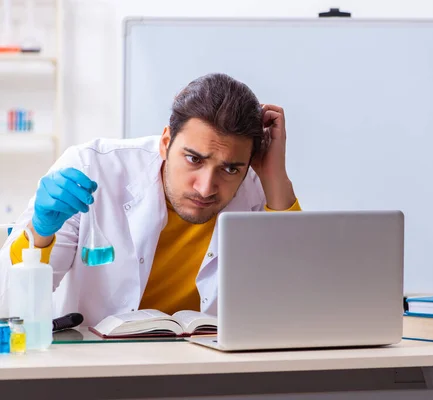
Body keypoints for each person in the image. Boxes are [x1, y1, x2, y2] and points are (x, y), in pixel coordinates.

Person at [0, 73, 301, 326]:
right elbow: (12, 306)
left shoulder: (255, 189)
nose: (207, 187)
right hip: (97, 369)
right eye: (194, 159)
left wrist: (276, 178)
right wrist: (40, 234)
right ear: (166, 141)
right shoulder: (93, 168)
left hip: (206, 373)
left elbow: (295, 305)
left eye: (230, 168)